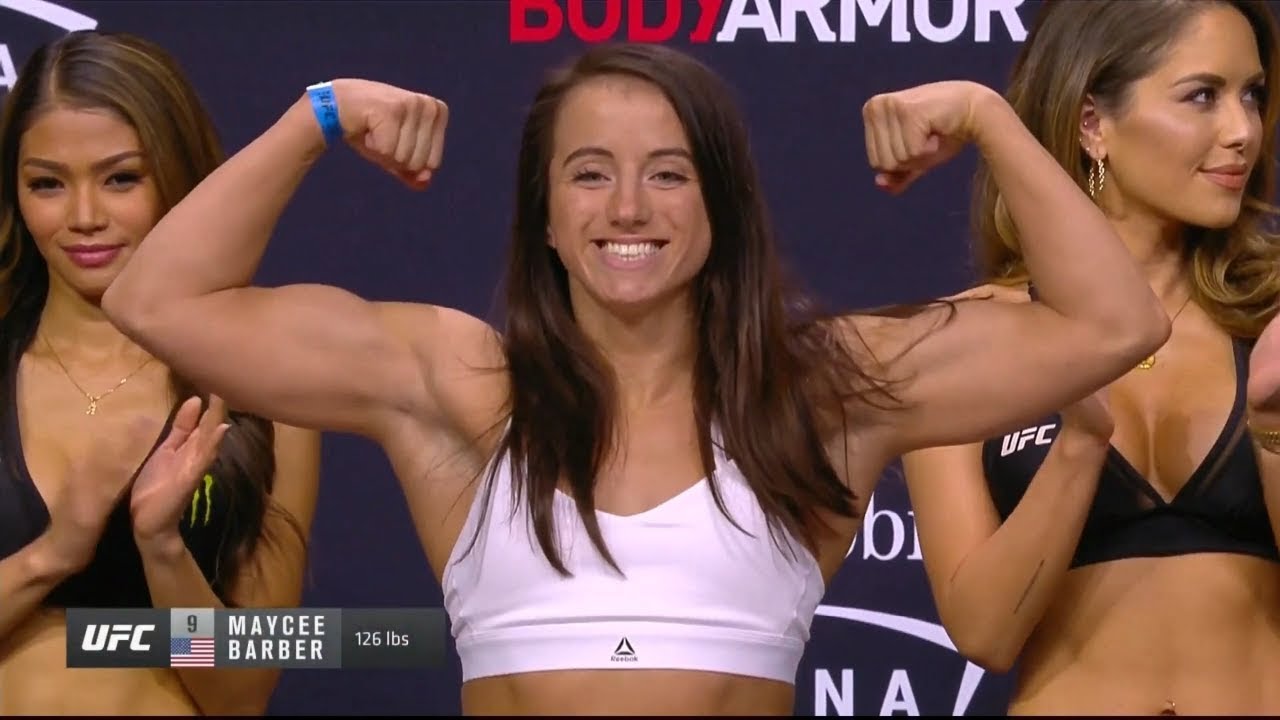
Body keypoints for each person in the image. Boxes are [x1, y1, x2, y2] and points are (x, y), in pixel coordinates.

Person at [101, 42, 1169, 715]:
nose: (627, 209)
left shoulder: (819, 394)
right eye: (589, 175)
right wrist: (317, 116)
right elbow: (158, 304)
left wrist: (985, 116)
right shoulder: (458, 390)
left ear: (721, 209)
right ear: (548, 217)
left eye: (668, 174)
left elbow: (1114, 324)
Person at [900, 0, 1280, 715]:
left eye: (1253, 95)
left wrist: (1272, 428)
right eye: (1203, 96)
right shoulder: (962, 344)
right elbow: (986, 632)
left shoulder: (1273, 323)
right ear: (1092, 125)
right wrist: (1079, 443)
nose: (1243, 131)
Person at [0, 31, 321, 715]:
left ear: (178, 176)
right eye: (47, 184)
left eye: (121, 178)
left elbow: (243, 692)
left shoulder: (265, 391)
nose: (85, 218)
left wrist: (163, 548)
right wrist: (51, 556)